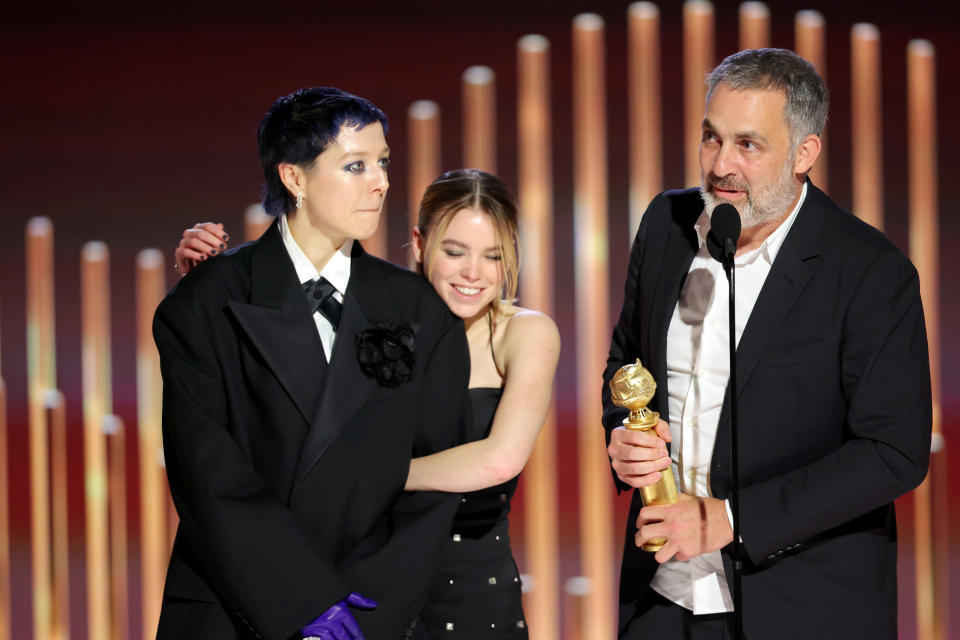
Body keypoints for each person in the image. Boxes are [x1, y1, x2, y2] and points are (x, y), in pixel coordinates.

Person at [602, 48, 931, 639]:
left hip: (799, 606)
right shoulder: (667, 225)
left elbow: (893, 450)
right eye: (711, 137)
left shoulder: (869, 272)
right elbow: (627, 360)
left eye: (748, 145)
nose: (721, 164)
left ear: (805, 152)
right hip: (659, 598)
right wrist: (621, 435)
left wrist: (731, 519)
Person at [175, 169, 560, 638]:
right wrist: (218, 281)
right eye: (454, 252)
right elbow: (284, 402)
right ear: (419, 243)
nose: (473, 273)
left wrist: (369, 473)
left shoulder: (524, 333)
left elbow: (499, 459)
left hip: (470, 588)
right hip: (355, 580)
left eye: (493, 256)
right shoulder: (366, 313)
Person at [153, 87, 471, 640]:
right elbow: (207, 474)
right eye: (355, 166)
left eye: (383, 163)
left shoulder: (418, 308)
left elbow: (438, 476)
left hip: (369, 613)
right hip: (231, 604)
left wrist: (361, 612)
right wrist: (305, 602)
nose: (382, 182)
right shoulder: (209, 301)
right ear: (294, 179)